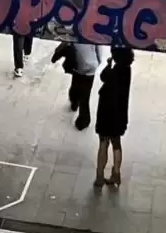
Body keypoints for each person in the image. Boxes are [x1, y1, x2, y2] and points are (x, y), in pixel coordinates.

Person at [94, 46, 134, 188]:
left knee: (103, 143)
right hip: (120, 114)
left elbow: (103, 77)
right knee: (116, 143)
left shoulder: (114, 72)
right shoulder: (127, 70)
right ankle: (116, 174)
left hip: (106, 113)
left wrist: (108, 65)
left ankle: (100, 175)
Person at [52, 41, 101, 131]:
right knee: (85, 95)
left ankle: (74, 102)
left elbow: (63, 46)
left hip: (79, 66)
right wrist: (96, 63)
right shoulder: (94, 36)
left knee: (76, 84)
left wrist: (55, 57)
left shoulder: (75, 35)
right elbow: (99, 53)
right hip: (91, 68)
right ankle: (83, 120)